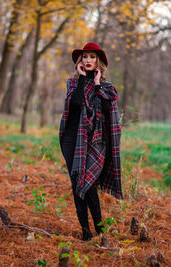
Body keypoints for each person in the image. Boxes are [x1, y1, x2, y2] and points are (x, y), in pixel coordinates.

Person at [59, 42, 123, 241]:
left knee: (90, 185)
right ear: (80, 61)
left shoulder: (106, 87)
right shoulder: (73, 83)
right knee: (77, 183)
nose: (88, 60)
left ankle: (100, 229)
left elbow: (106, 109)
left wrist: (95, 84)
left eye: (92, 57)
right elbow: (76, 103)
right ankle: (86, 232)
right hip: (72, 140)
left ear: (98, 61)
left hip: (95, 142)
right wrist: (82, 81)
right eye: (84, 57)